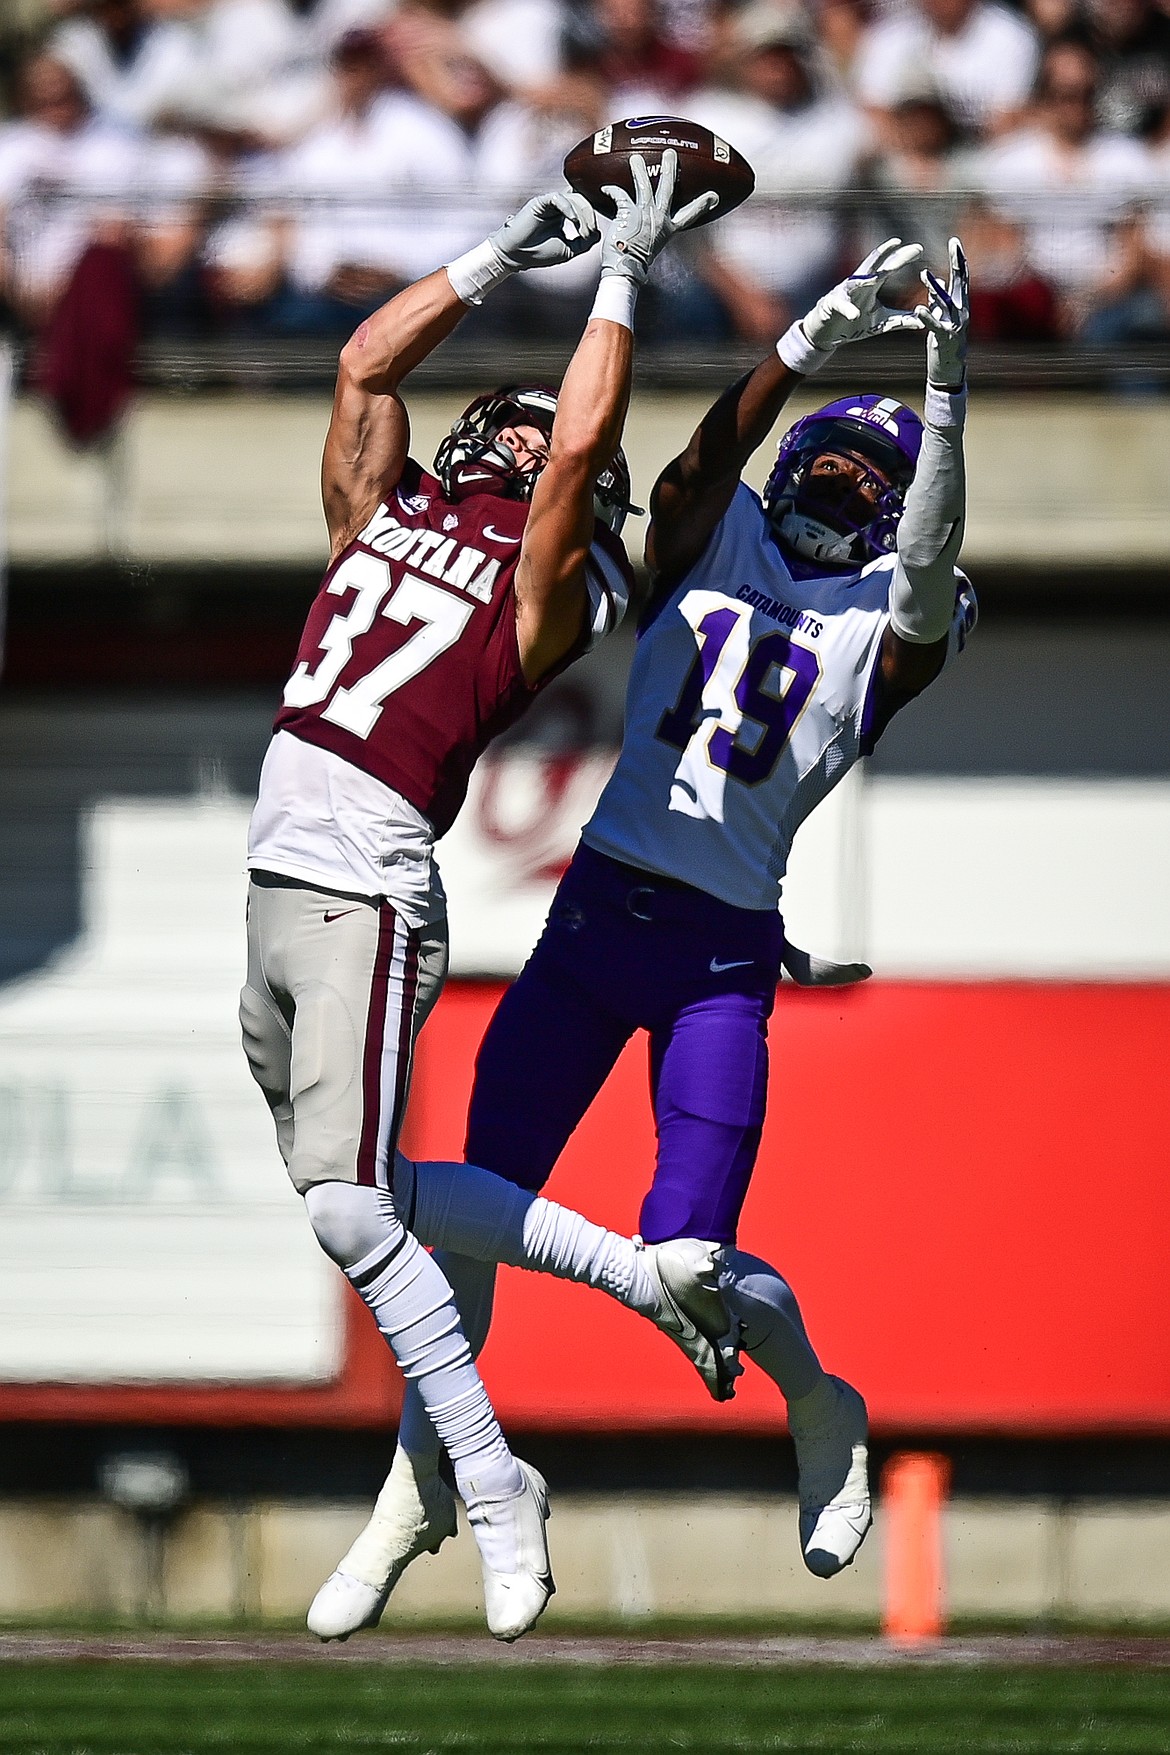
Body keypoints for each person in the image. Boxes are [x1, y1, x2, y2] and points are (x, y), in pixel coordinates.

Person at [309, 236, 978, 1636]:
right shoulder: (720, 535)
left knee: (689, 1263)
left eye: (867, 484)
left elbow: (923, 565)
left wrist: (944, 382)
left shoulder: (889, 622)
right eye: (826, 466)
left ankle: (821, 1409)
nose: (831, 491)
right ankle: (414, 1490)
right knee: (466, 1233)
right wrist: (803, 339)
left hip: (718, 955)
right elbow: (684, 477)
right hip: (594, 914)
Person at [238, 156, 718, 1642]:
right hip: (274, 876)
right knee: (361, 1194)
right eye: (499, 417)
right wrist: (503, 252)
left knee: (341, 1209)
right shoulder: (378, 518)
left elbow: (579, 462)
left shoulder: (544, 582)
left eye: (532, 425)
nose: (515, 434)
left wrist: (620, 276)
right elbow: (364, 362)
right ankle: (632, 1276)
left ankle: (493, 1479)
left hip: (369, 876)